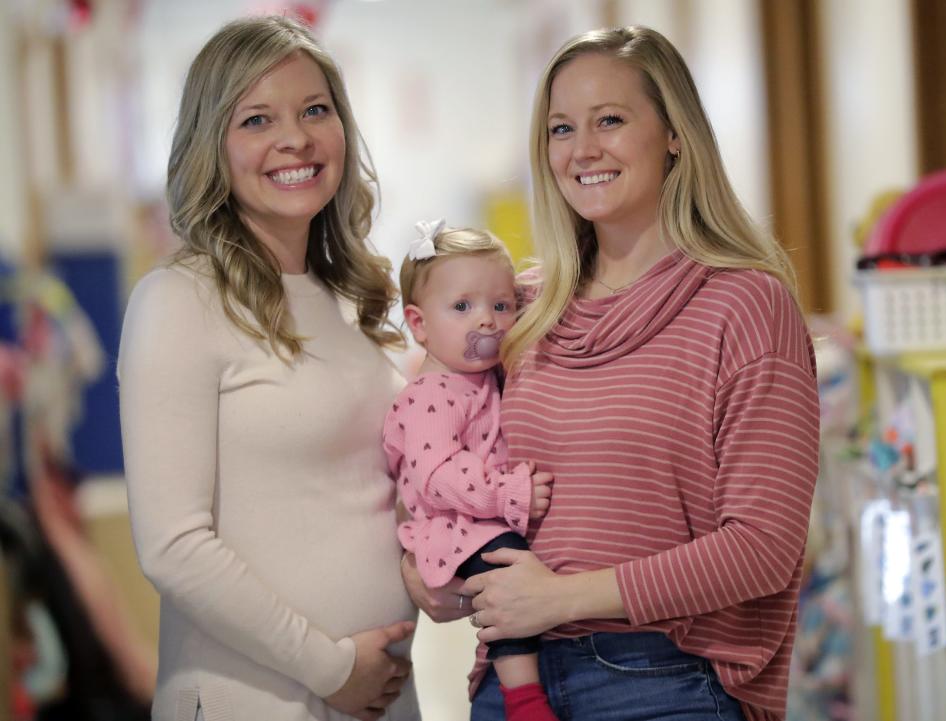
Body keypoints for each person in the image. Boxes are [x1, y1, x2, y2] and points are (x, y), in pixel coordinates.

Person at [401, 25, 820, 721]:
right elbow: (423, 444)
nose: (583, 149)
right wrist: (424, 571)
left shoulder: (744, 304)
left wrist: (565, 596)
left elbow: (764, 546)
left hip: (666, 680)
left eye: (611, 120)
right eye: (562, 128)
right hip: (511, 678)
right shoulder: (521, 312)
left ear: (675, 134)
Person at [118, 16, 420, 721]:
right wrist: (331, 665)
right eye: (257, 119)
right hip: (256, 699)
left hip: (379, 697)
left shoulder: (347, 298)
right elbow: (173, 546)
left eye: (315, 110)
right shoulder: (178, 300)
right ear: (211, 146)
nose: (295, 138)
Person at [383, 220, 559, 721]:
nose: (487, 321)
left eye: (499, 306)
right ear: (418, 324)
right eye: (462, 307)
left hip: (481, 517)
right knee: (509, 577)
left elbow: (533, 296)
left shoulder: (481, 377)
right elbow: (439, 474)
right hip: (459, 525)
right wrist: (508, 493)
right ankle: (522, 698)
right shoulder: (429, 395)